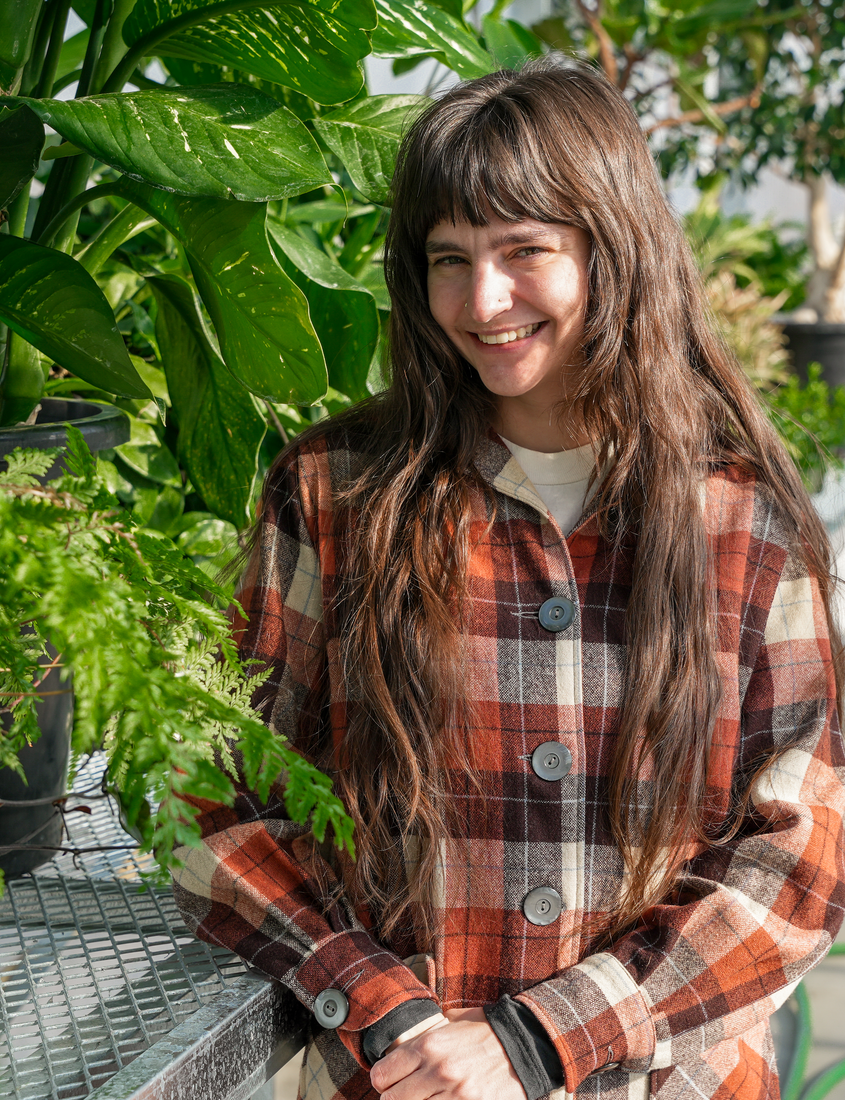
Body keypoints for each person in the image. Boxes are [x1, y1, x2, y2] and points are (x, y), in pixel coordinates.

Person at [170, 58, 845, 1100]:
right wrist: (376, 998)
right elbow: (208, 786)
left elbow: (802, 860)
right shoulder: (336, 493)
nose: (481, 301)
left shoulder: (739, 521)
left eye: (523, 250)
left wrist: (541, 1038)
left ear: (610, 250)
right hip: (391, 1079)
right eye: (449, 258)